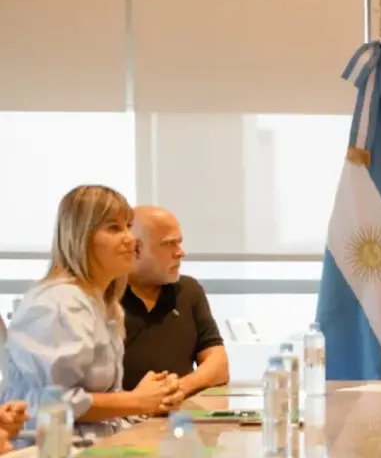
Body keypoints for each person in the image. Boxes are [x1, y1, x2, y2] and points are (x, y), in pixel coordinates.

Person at [0, 185, 180, 440]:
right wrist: (137, 401)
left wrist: (154, 397)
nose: (131, 239)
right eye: (114, 228)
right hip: (54, 456)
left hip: (97, 448)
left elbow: (99, 401)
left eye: (128, 226)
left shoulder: (102, 303)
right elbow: (55, 403)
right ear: (80, 236)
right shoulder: (57, 303)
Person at [122, 206, 229, 400]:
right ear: (135, 249)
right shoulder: (104, 298)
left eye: (179, 243)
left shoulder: (188, 291)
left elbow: (218, 364)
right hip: (119, 415)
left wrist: (179, 388)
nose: (180, 253)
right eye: (170, 243)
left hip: (180, 412)